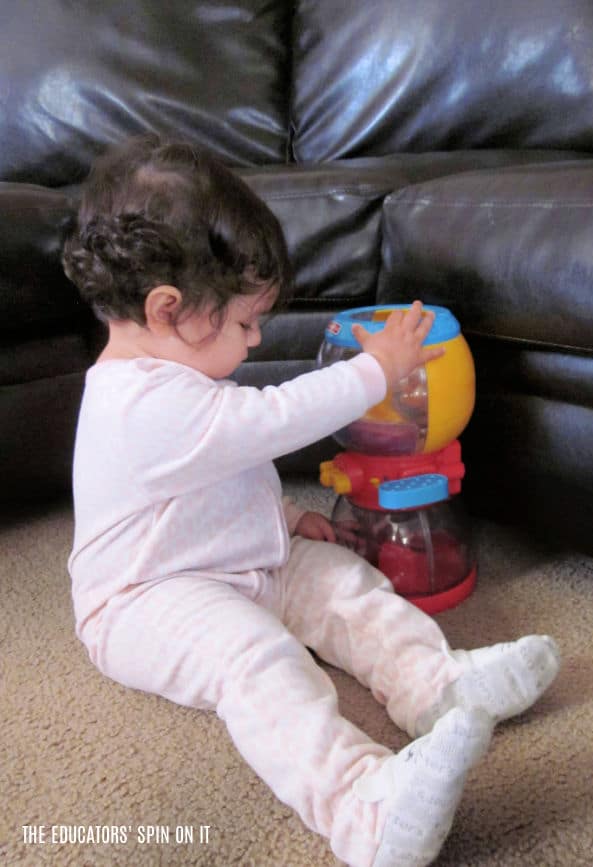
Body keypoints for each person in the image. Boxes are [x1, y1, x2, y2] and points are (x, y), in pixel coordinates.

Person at [63, 134, 560, 867]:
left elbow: (222, 469)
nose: (257, 338)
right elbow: (268, 421)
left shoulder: (178, 381)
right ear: (169, 309)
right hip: (148, 597)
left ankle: (434, 683)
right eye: (244, 322)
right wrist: (374, 370)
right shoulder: (133, 402)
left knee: (345, 584)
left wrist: (285, 519)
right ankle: (363, 806)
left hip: (243, 557)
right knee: (256, 657)